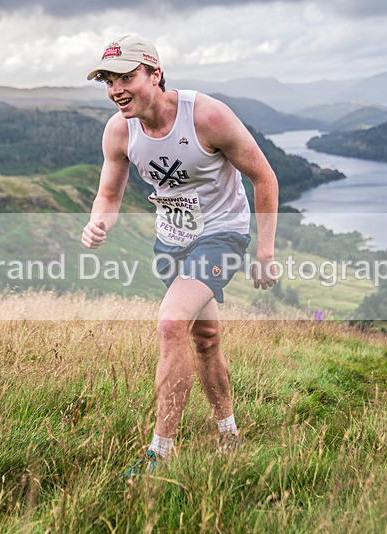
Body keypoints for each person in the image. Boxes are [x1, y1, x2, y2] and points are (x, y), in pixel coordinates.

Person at [81, 34, 280, 475]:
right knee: (205, 339)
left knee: (171, 323)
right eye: (108, 80)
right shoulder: (119, 130)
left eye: (126, 76)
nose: (115, 89)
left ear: (154, 73)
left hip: (222, 235)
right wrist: (99, 222)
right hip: (171, 241)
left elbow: (264, 177)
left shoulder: (205, 115)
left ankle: (159, 454)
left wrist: (264, 250)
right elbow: (108, 195)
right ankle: (229, 433)